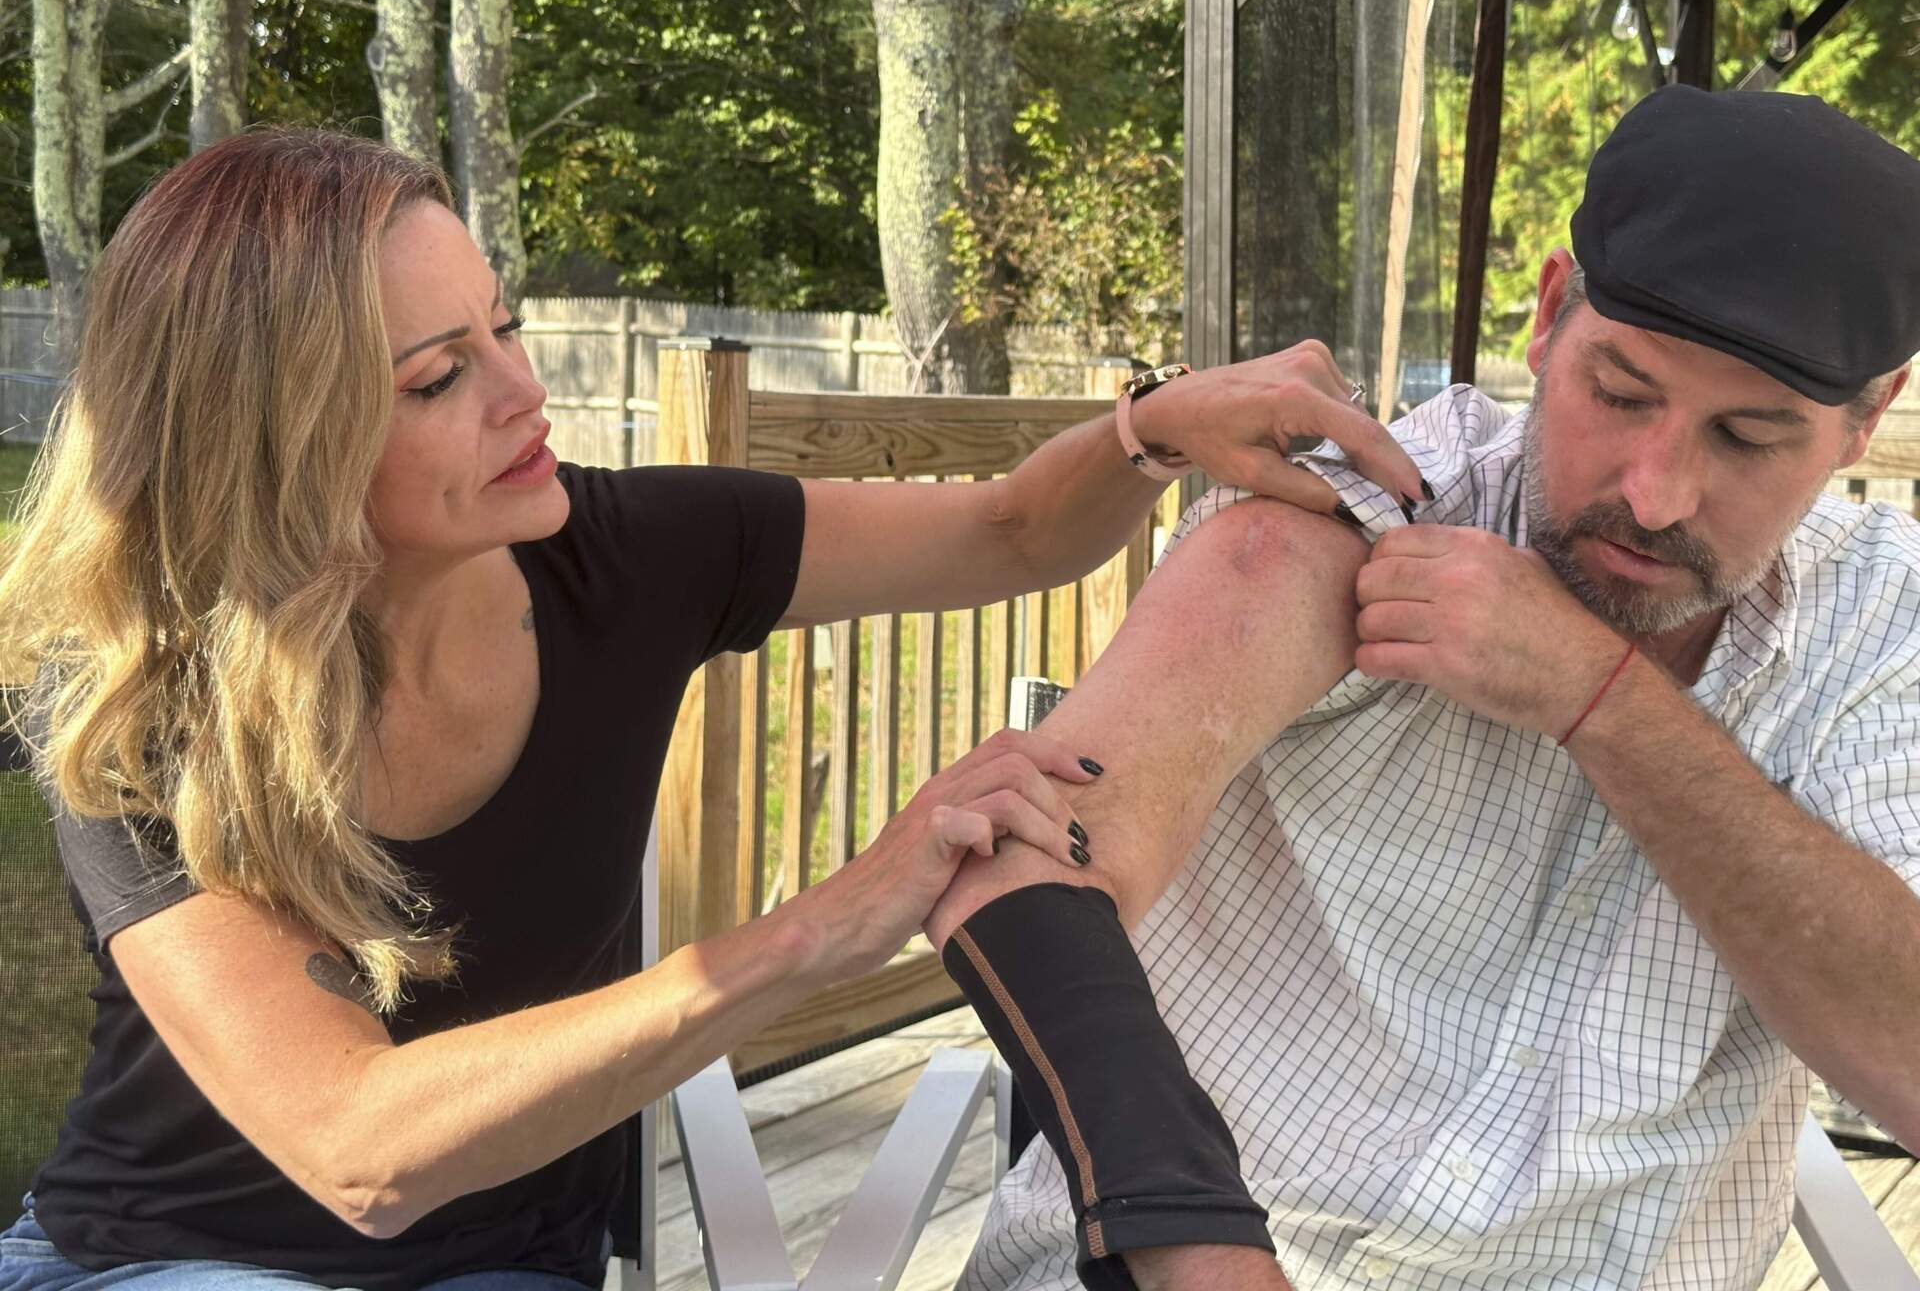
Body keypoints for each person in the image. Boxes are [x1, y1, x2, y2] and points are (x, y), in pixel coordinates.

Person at [0, 129, 1430, 1291]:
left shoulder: (624, 559)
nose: (527, 391)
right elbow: (357, 1149)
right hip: (160, 1261)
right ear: (277, 439)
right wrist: (831, 922)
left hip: (508, 1266)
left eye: (503, 328)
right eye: (440, 377)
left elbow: (1004, 534)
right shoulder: (136, 693)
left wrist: (1152, 428)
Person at [926, 85, 1920, 1291]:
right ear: (1551, 316)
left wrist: (1599, 698)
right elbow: (1047, 858)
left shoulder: (1886, 623)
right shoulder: (1374, 502)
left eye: (1748, 440)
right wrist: (1196, 1239)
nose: (1654, 493)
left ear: (1869, 419)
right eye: (1620, 393)